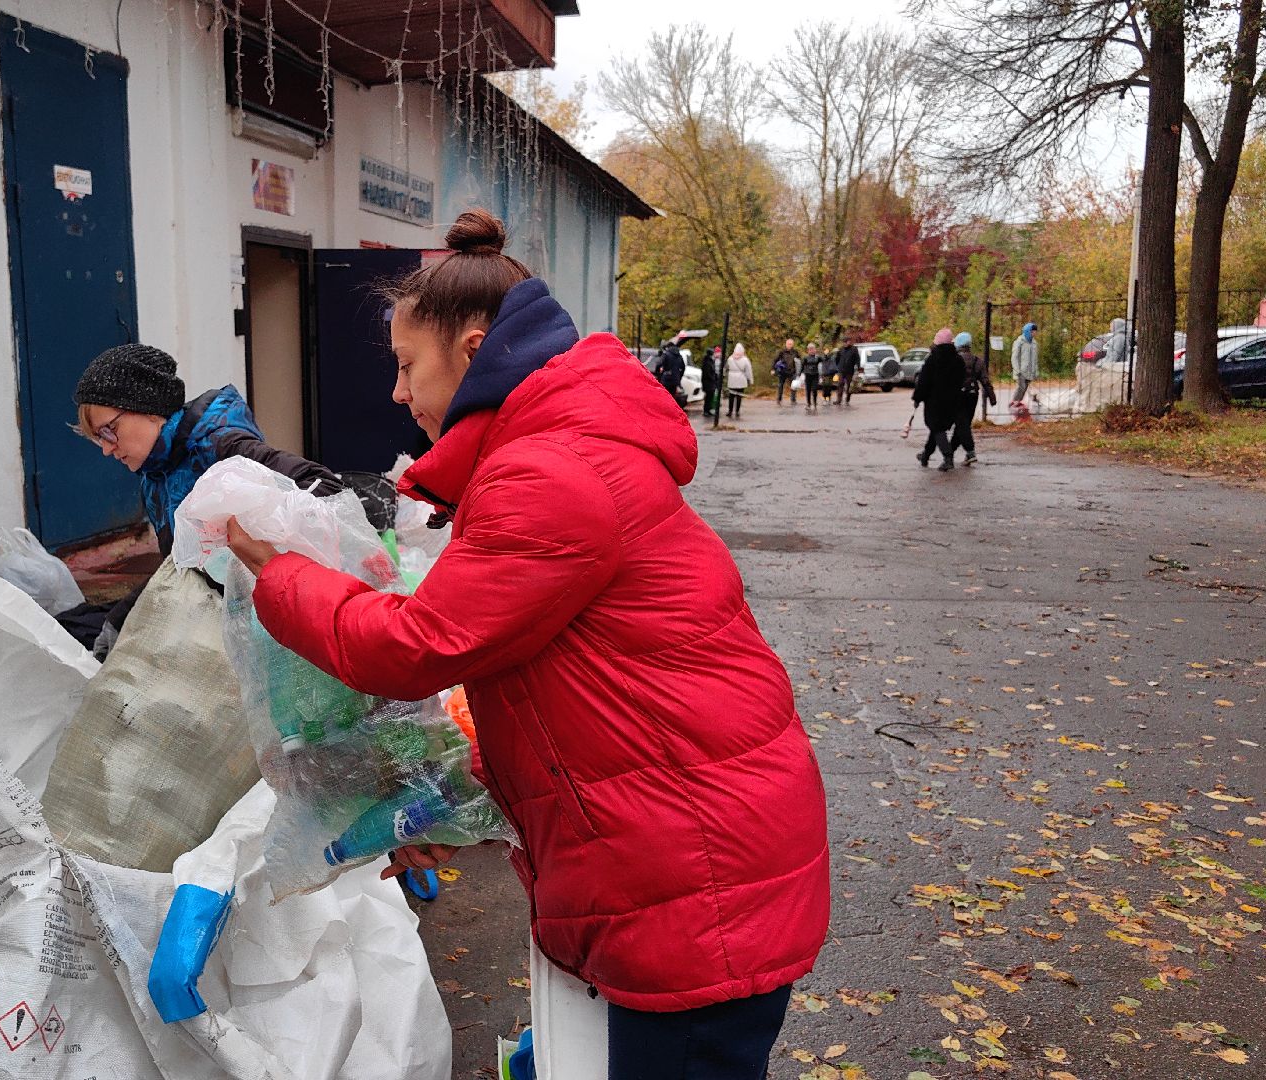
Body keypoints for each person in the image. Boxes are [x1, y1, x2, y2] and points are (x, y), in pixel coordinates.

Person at [226, 209, 829, 1079]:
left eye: (406, 365)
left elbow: (416, 646)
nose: (396, 392)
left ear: (471, 350)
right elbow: (562, 697)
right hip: (680, 851)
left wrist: (281, 575)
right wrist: (453, 804)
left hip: (693, 875)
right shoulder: (557, 450)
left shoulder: (551, 470)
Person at [60, 342, 344, 654]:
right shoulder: (155, 476)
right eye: (97, 439)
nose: (106, 449)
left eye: (109, 431)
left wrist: (255, 534)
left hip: (266, 630)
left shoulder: (221, 448)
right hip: (213, 624)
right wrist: (122, 617)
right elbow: (178, 565)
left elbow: (326, 486)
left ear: (147, 408)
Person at [913, 329, 966, 471]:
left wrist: (918, 397)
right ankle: (925, 455)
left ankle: (948, 457)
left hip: (935, 401)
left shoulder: (933, 359)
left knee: (937, 427)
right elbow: (962, 378)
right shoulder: (958, 360)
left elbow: (924, 381)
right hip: (952, 401)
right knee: (937, 428)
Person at [952, 331, 996, 465]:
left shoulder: (953, 360)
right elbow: (985, 381)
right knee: (963, 424)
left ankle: (970, 452)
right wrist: (992, 397)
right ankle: (949, 452)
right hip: (973, 396)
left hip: (958, 395)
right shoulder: (978, 360)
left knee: (962, 424)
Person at [654, 337, 688, 409]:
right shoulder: (679, 356)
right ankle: (671, 410)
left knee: (665, 396)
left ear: (668, 347)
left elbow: (658, 364)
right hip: (675, 380)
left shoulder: (666, 354)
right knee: (673, 396)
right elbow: (683, 367)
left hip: (666, 379)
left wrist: (658, 374)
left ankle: (665, 410)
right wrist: (679, 376)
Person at [1010, 322, 1039, 403]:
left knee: (1025, 388)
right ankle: (1014, 402)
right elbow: (1014, 357)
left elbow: (1035, 359)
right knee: (1021, 387)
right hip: (1020, 371)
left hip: (1029, 371)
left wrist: (1035, 371)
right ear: (1028, 331)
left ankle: (1018, 403)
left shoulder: (1034, 343)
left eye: (1035, 332)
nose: (1034, 333)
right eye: (1032, 332)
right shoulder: (1019, 342)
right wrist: (1017, 370)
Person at [724, 343, 753, 419]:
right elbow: (748, 371)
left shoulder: (730, 358)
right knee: (739, 396)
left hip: (732, 379)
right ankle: (737, 411)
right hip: (741, 379)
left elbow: (726, 368)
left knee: (731, 396)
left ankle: (730, 411)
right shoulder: (745, 360)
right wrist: (750, 380)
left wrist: (725, 375)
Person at [832, 337, 861, 405]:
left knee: (849, 385)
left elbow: (857, 359)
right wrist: (838, 366)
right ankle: (839, 400)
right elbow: (837, 359)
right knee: (840, 384)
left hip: (850, 370)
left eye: (847, 342)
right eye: (844, 342)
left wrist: (858, 367)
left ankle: (847, 399)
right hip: (841, 370)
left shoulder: (854, 349)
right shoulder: (841, 349)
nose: (846, 343)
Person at [771, 339, 800, 405]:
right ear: (786, 344)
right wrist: (773, 369)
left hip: (792, 371)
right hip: (783, 371)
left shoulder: (795, 352)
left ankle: (793, 400)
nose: (790, 345)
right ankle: (779, 399)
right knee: (780, 385)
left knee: (794, 386)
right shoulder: (782, 352)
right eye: (788, 344)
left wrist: (799, 371)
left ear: (793, 345)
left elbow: (799, 361)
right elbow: (775, 360)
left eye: (791, 344)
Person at [701, 345, 723, 419]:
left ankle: (708, 410)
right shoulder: (707, 361)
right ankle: (706, 410)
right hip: (708, 383)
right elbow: (708, 373)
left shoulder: (710, 361)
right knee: (708, 397)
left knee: (710, 397)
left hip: (710, 382)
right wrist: (713, 378)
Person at [800, 342, 824, 409]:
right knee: (808, 390)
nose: (812, 350)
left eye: (813, 349)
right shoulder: (805, 358)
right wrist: (800, 374)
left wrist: (825, 355)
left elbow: (824, 360)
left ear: (815, 349)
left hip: (815, 375)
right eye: (810, 349)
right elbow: (802, 366)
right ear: (808, 350)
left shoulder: (818, 357)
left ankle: (815, 403)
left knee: (814, 389)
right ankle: (808, 403)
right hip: (807, 375)